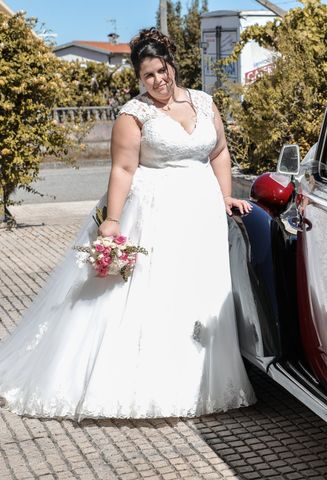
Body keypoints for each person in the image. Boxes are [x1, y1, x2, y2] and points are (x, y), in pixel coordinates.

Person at [0, 28, 256, 420]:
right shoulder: (133, 115)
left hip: (202, 214)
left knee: (200, 291)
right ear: (139, 78)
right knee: (158, 295)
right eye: (148, 75)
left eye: (162, 70)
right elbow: (122, 169)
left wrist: (224, 197)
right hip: (156, 214)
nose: (158, 80)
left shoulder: (205, 103)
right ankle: (153, 384)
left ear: (173, 64)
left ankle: (202, 382)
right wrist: (113, 220)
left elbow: (220, 152)